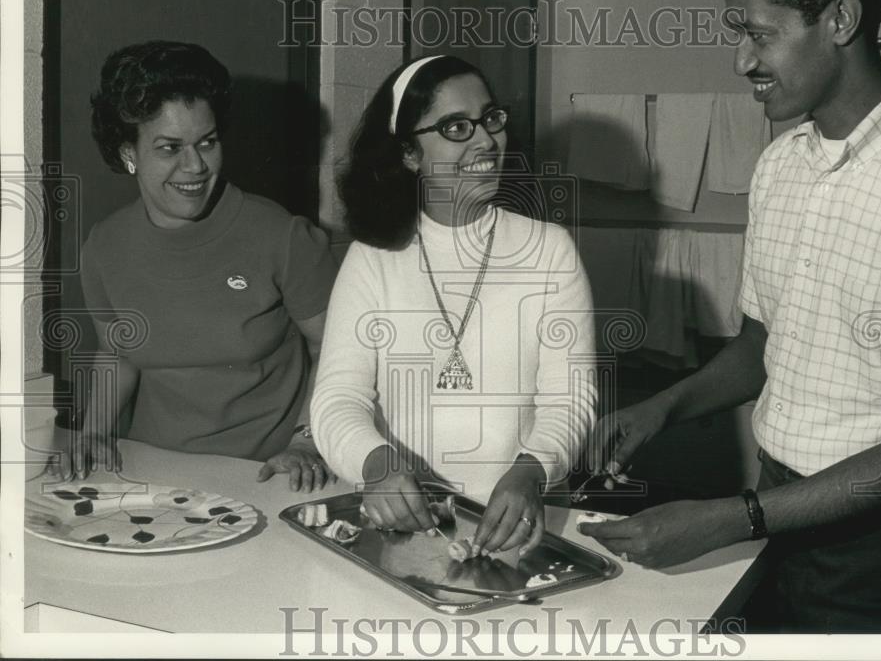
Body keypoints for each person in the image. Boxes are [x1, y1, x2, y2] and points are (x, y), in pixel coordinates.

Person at [580, 0, 881, 632]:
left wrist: (736, 518)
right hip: (775, 500)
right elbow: (764, 348)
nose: (742, 60)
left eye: (760, 34)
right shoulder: (780, 166)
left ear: (841, 21)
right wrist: (661, 408)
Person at [311, 55, 597, 556]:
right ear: (409, 155)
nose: (486, 140)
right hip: (400, 524)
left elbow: (570, 398)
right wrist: (377, 465)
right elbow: (338, 399)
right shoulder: (372, 259)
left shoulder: (549, 249)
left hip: (518, 524)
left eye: (490, 119)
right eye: (456, 127)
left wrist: (531, 471)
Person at [49, 40, 336, 492]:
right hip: (153, 473)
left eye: (207, 142)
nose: (196, 166)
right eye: (169, 148)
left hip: (266, 475)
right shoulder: (105, 247)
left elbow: (334, 352)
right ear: (129, 152)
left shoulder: (281, 235)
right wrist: (93, 435)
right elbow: (119, 353)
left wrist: (307, 441)